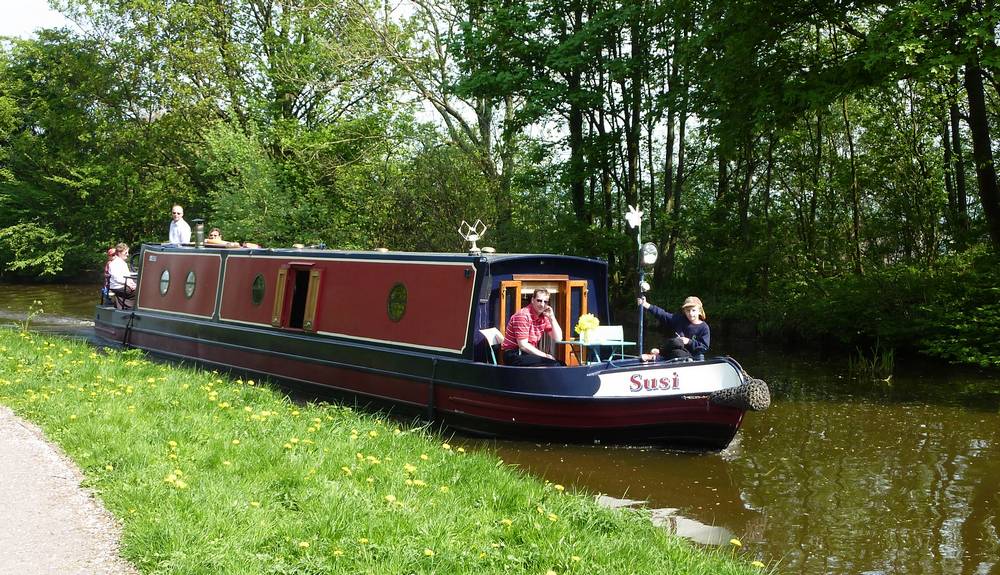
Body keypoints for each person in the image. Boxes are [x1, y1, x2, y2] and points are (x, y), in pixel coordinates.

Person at [500, 289, 564, 366]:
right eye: (539, 300)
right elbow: (523, 345)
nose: (542, 304)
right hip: (514, 354)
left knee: (561, 364)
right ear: (532, 300)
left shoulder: (544, 317)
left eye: (545, 302)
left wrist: (552, 318)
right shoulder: (523, 315)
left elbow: (558, 338)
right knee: (553, 365)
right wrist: (545, 355)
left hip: (526, 354)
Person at [638, 295, 710, 361]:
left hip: (692, 356)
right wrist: (646, 304)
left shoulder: (704, 327)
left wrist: (689, 341)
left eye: (693, 310)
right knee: (676, 342)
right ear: (684, 311)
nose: (691, 313)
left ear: (699, 311)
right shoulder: (679, 319)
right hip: (674, 351)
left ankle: (657, 355)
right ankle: (660, 352)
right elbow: (663, 315)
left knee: (680, 353)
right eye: (688, 311)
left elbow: (704, 347)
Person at [107, 243, 136, 309]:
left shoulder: (123, 263)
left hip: (123, 285)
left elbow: (128, 276)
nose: (127, 254)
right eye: (126, 253)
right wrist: (129, 284)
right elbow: (118, 279)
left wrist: (132, 284)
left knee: (139, 289)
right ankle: (129, 309)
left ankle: (128, 307)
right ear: (119, 253)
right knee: (138, 292)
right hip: (117, 287)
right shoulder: (114, 264)